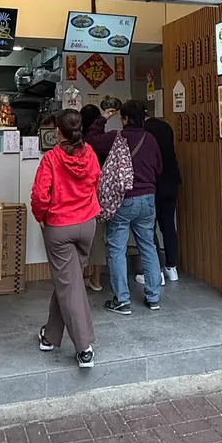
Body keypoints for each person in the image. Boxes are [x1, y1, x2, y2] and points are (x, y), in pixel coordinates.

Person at [31, 109, 101, 368]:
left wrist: (40, 216)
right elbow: (95, 180)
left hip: (60, 227)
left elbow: (40, 196)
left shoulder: (51, 158)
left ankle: (84, 348)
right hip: (87, 224)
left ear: (58, 131)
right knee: (69, 282)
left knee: (69, 284)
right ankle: (50, 336)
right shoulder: (90, 153)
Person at [87, 100, 163, 315]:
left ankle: (122, 300)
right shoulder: (151, 139)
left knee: (117, 248)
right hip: (148, 199)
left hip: (123, 199)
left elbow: (90, 140)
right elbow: (159, 168)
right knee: (148, 246)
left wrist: (103, 118)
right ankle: (154, 297)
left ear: (125, 118)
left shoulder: (117, 138)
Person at [135, 107, 182, 284]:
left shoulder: (142, 131)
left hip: (153, 183)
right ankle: (171, 267)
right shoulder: (166, 126)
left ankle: (156, 272)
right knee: (168, 225)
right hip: (171, 181)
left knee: (148, 227)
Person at [80, 104, 106, 292]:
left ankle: (78, 278)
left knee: (78, 238)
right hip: (101, 193)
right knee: (98, 237)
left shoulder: (79, 143)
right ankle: (96, 279)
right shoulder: (103, 140)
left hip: (81, 194)